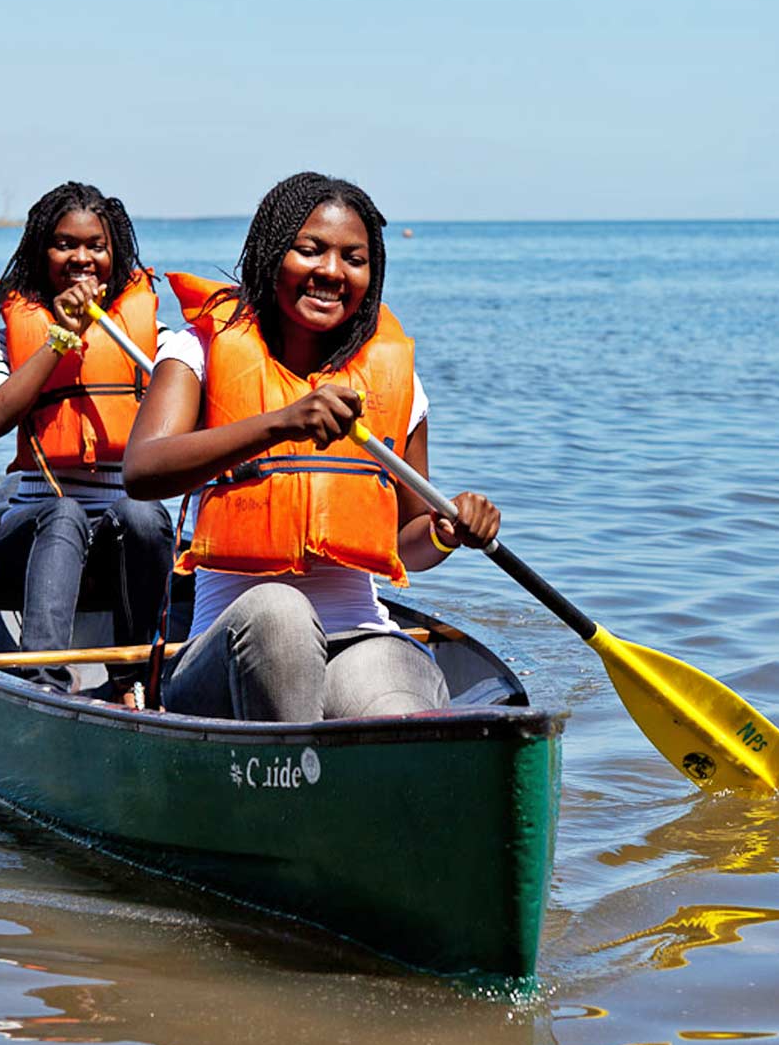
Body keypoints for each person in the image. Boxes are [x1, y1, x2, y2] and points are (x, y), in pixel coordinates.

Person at [122, 171, 500, 721]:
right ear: (272, 255)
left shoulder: (399, 383)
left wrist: (447, 531)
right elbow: (142, 470)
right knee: (281, 612)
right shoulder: (196, 350)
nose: (331, 271)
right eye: (310, 250)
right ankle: (302, 761)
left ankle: (382, 753)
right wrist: (280, 424)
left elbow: (408, 547)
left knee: (396, 686)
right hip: (228, 653)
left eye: (354, 258)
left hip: (358, 639)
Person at [0, 182, 174, 696]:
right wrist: (60, 339)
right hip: (31, 535)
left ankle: (135, 679)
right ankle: (43, 681)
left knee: (144, 514)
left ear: (114, 254)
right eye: (65, 244)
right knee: (62, 513)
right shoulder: (7, 336)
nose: (82, 258)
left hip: (116, 540)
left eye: (96, 246)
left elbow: (202, 410)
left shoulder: (155, 338)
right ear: (42, 253)